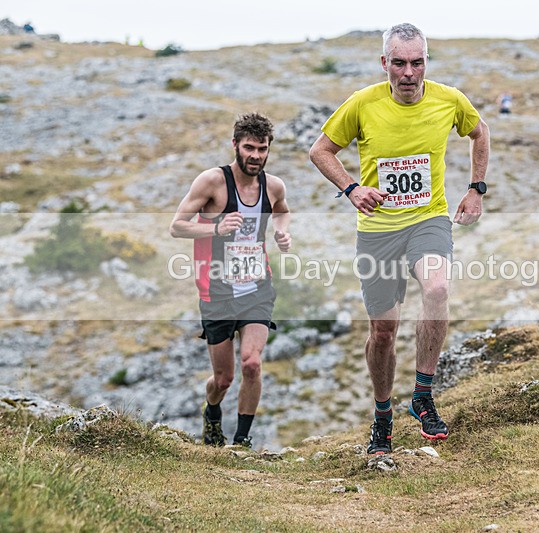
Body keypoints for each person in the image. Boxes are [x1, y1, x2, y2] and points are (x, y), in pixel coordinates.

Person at [309, 23, 490, 455]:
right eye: (399, 63)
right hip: (378, 231)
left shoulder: (449, 100)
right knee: (384, 331)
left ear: (426, 61)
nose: (409, 72)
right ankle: (383, 416)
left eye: (417, 62)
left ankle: (423, 395)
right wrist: (352, 189)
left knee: (439, 287)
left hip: (428, 219)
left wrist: (475, 188)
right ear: (384, 63)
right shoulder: (362, 103)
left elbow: (480, 131)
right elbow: (319, 150)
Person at [170, 112, 291, 448]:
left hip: (257, 288)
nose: (255, 155)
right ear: (235, 146)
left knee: (252, 363)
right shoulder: (212, 182)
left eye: (262, 149)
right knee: (223, 379)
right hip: (217, 292)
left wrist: (282, 233)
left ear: (269, 150)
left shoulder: (274, 185)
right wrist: (215, 228)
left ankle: (241, 441)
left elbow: (281, 210)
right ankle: (212, 412)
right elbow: (176, 226)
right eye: (249, 147)